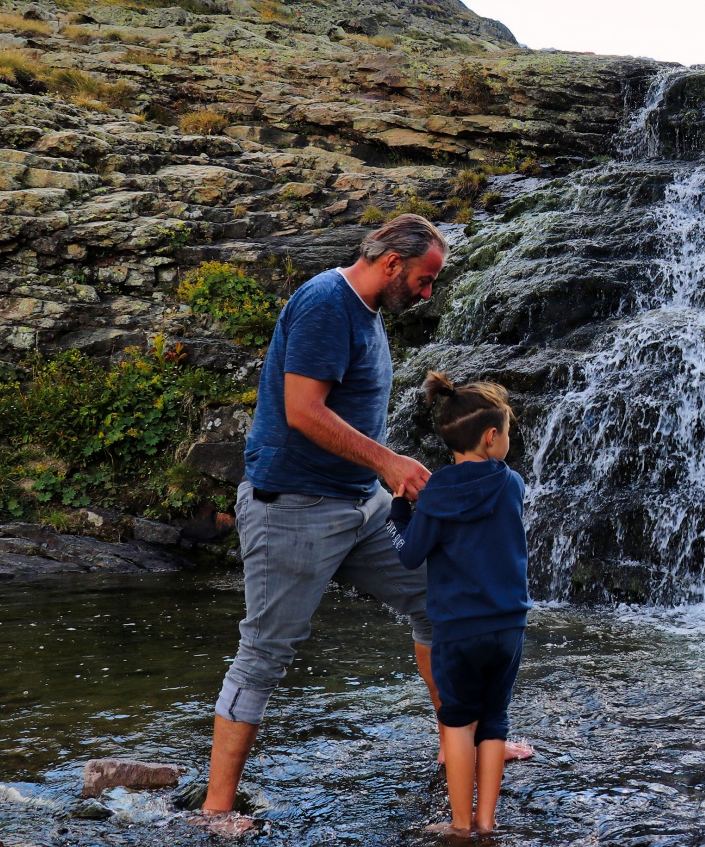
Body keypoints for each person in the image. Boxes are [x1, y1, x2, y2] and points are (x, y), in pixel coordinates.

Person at [195, 215, 528, 834]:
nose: (429, 294)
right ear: (393, 263)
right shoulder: (327, 303)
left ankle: (458, 740)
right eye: (426, 281)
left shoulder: (367, 312)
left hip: (359, 505)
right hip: (293, 508)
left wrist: (383, 479)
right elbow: (302, 410)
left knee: (438, 603)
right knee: (264, 652)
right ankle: (215, 811)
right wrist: (389, 461)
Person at [387, 376, 530, 837]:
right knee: (494, 721)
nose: (509, 439)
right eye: (507, 430)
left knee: (457, 722)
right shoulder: (512, 485)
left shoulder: (435, 498)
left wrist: (401, 513)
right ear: (491, 437)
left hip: (455, 631)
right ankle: (488, 823)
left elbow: (409, 554)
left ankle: (460, 824)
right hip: (508, 625)